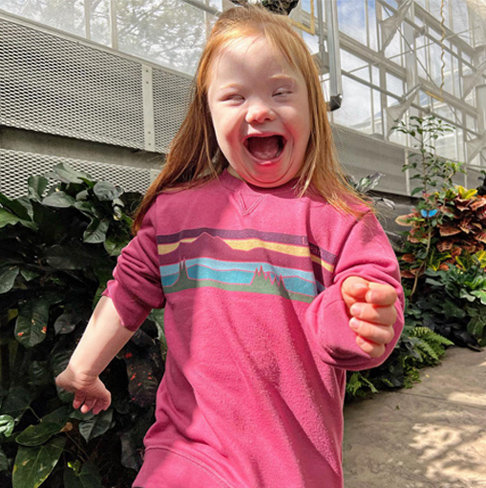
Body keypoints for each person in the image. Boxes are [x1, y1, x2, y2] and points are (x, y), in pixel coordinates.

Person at [56, 5, 404, 488]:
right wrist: (82, 368)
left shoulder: (343, 219)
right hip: (185, 452)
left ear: (312, 110)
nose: (259, 110)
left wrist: (355, 323)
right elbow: (128, 289)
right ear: (210, 113)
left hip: (290, 465)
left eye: (281, 92)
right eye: (234, 96)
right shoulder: (175, 215)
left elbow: (364, 308)